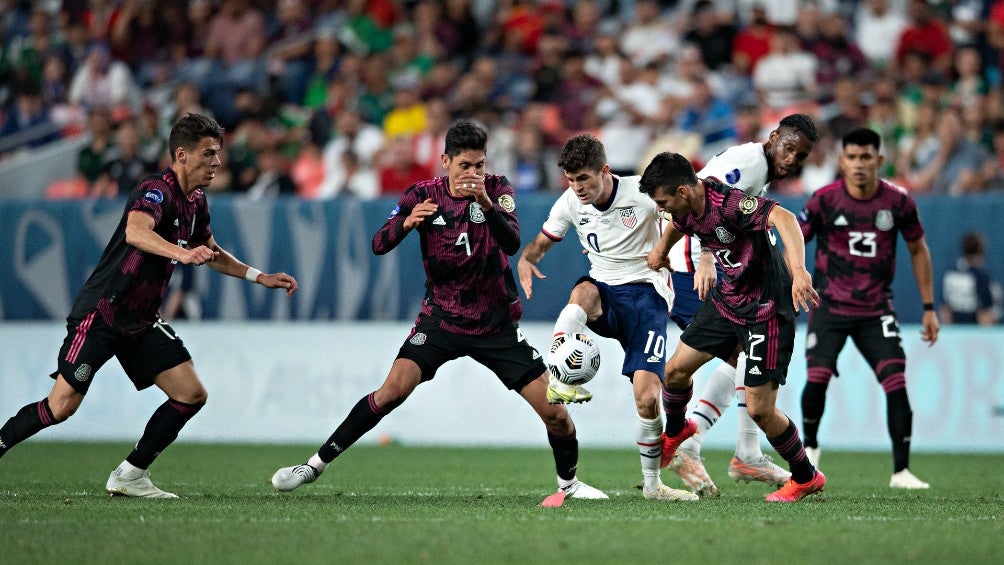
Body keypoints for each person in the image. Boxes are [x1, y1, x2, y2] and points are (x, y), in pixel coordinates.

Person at [270, 121, 607, 507]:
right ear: (445, 161)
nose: (473, 174)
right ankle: (314, 465)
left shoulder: (497, 191)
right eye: (465, 165)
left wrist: (485, 204)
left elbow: (513, 242)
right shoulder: (422, 195)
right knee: (391, 392)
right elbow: (379, 243)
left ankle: (569, 485)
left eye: (479, 165)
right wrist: (404, 223)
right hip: (441, 320)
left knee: (557, 415)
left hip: (494, 325)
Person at [0, 113, 299, 498]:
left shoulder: (196, 201)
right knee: (61, 407)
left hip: (140, 321)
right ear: (182, 155)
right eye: (208, 154)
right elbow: (136, 231)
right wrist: (181, 252)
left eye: (218, 154)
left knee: (191, 394)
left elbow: (210, 250)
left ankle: (130, 475)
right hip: (103, 312)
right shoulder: (155, 190)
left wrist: (260, 276)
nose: (217, 163)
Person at [516, 134, 698, 503]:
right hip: (604, 289)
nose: (577, 187)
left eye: (584, 178)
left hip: (647, 296)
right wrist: (527, 258)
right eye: (570, 179)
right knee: (582, 292)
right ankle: (560, 378)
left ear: (604, 170)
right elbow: (543, 240)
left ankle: (653, 486)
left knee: (647, 400)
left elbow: (688, 217)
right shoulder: (570, 202)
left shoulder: (641, 194)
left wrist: (684, 254)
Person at [640, 151, 825, 503]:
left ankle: (805, 477)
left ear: (681, 191)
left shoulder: (729, 203)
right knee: (676, 371)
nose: (662, 209)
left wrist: (799, 271)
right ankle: (678, 431)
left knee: (760, 409)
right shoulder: (688, 206)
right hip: (728, 301)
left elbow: (784, 218)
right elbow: (682, 225)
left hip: (767, 310)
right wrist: (661, 250)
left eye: (663, 201)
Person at [799, 127, 939, 490]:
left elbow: (919, 250)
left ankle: (902, 472)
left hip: (876, 309)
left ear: (879, 160)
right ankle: (810, 452)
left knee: (896, 382)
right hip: (829, 305)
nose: (859, 164)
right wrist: (796, 277)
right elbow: (795, 238)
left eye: (866, 157)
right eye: (852, 157)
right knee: (817, 378)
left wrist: (928, 307)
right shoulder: (824, 200)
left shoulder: (898, 202)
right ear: (841, 161)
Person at [941, 231, 1001, 326]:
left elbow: (945, 310)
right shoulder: (980, 277)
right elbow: (985, 313)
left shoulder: (950, 274)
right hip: (974, 331)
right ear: (981, 250)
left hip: (955, 329)